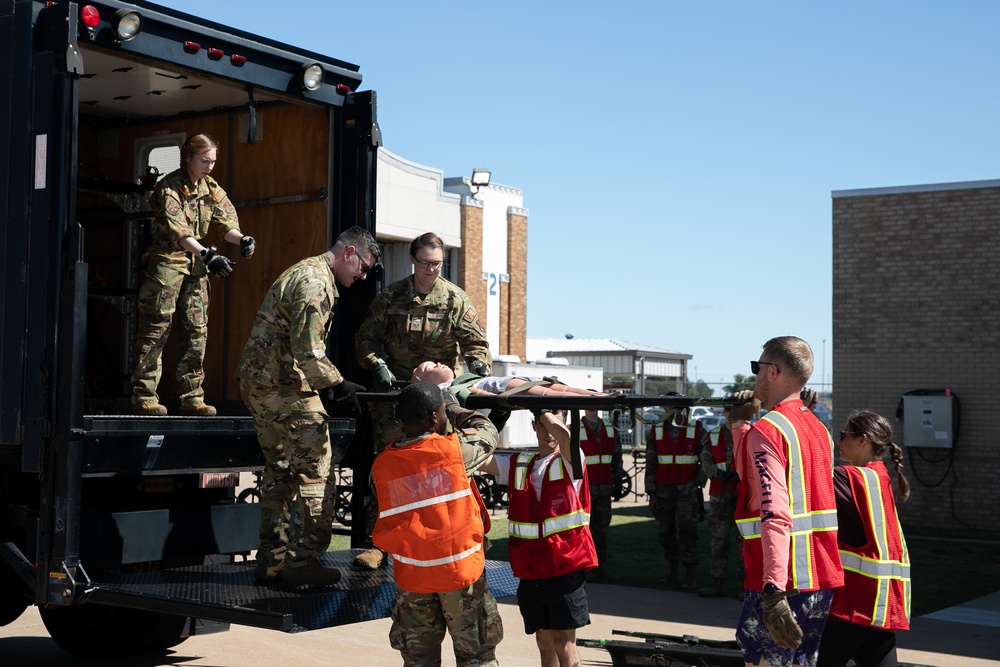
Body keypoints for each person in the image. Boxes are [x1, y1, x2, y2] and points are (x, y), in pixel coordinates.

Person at [235, 226, 379, 587]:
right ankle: (303, 561)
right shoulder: (316, 283)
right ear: (348, 252)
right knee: (317, 473)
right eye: (362, 267)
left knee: (279, 470)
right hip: (286, 387)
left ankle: (271, 561)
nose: (362, 276)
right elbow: (310, 351)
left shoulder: (304, 270)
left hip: (259, 383)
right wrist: (339, 386)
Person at [354, 232, 491, 570]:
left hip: (439, 403)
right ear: (412, 260)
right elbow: (364, 339)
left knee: (443, 470)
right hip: (399, 400)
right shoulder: (390, 297)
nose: (432, 269)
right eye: (426, 262)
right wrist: (377, 363)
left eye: (438, 263)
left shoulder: (455, 300)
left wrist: (476, 367)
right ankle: (379, 545)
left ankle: (444, 538)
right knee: (391, 471)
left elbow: (477, 344)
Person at [371, 382, 503, 667]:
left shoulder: (381, 466)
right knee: (476, 658)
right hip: (459, 576)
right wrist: (453, 406)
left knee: (418, 660)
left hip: (413, 578)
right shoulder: (454, 453)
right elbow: (488, 431)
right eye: (441, 411)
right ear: (434, 416)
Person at [734, 336, 844, 667]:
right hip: (819, 579)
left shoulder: (769, 430)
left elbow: (774, 512)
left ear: (774, 371)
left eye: (758, 367)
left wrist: (773, 589)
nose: (754, 376)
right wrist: (739, 428)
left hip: (783, 582)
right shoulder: (818, 428)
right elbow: (754, 482)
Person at [130, 133, 256, 416]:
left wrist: (243, 239)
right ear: (188, 157)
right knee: (155, 330)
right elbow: (180, 234)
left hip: (197, 268)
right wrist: (209, 256)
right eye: (204, 160)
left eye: (213, 161)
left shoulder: (211, 188)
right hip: (167, 267)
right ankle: (144, 396)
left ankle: (192, 397)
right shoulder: (168, 188)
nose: (210, 167)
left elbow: (226, 224)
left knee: (197, 333)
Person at [481, 409, 598, 667]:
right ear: (534, 426)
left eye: (553, 423)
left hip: (563, 566)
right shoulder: (520, 462)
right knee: (544, 643)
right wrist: (487, 421)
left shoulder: (572, 457)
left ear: (562, 424)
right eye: (542, 425)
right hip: (532, 568)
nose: (549, 432)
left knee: (564, 644)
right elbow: (479, 459)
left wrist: (542, 407)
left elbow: (566, 439)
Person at [818, 411, 911, 667]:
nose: (839, 441)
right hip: (880, 606)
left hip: (853, 606)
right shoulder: (878, 477)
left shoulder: (850, 478)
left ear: (863, 440)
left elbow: (806, 471)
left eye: (843, 435)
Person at [696, 393, 758, 598]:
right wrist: (720, 474)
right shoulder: (713, 434)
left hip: (743, 497)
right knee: (718, 541)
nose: (729, 414)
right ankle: (717, 583)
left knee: (745, 542)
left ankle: (745, 586)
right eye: (727, 410)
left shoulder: (751, 433)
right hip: (720, 495)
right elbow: (706, 461)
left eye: (734, 410)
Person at [644, 404, 706, 590]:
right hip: (663, 491)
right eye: (668, 408)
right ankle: (673, 573)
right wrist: (651, 491)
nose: (670, 411)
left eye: (675, 408)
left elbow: (706, 456)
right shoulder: (656, 430)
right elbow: (651, 461)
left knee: (688, 531)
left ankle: (690, 576)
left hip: (687, 490)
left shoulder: (696, 428)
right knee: (666, 531)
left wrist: (698, 483)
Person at [579, 409, 621, 583]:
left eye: (594, 405)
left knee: (602, 530)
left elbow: (617, 457)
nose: (591, 408)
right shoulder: (575, 428)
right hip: (583, 490)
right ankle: (583, 569)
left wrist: (617, 481)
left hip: (604, 488)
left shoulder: (610, 429)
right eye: (588, 404)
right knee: (583, 530)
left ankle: (599, 568)